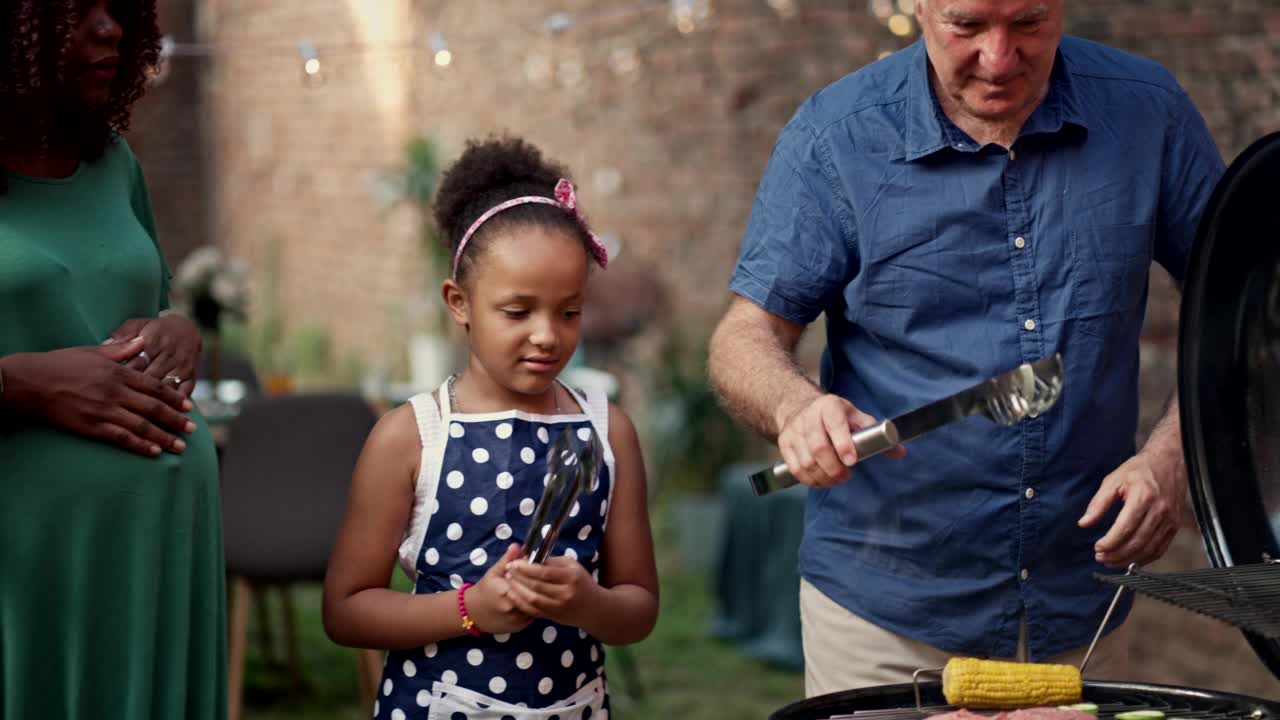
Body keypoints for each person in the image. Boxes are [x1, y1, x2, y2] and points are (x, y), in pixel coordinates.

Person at [707, 0, 1224, 696]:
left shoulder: (1147, 111)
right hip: (883, 615)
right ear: (918, 6)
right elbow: (744, 336)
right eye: (968, 25)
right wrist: (795, 406)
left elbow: (1243, 306)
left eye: (1030, 22)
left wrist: (1172, 459)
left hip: (1081, 613)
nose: (1000, 57)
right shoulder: (836, 136)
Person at [323, 136, 659, 719]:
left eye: (569, 311)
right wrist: (469, 608)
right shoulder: (410, 437)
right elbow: (346, 610)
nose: (547, 335)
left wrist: (587, 603)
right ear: (459, 302)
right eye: (517, 311)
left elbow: (639, 609)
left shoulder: (609, 431)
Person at [0, 1, 226, 718]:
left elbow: (150, 307)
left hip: (155, 557)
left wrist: (182, 328)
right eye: (76, 9)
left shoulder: (113, 161)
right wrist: (23, 383)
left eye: (119, 6)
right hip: (30, 571)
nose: (111, 30)